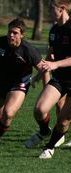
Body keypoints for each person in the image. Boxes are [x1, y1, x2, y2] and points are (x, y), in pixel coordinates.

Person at [0, 18, 43, 155]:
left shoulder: (29, 51)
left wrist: (38, 80)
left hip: (19, 84)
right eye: (9, 32)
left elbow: (44, 68)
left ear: (22, 34)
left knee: (8, 113)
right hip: (0, 83)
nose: (10, 35)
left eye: (14, 33)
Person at [25, 0, 71, 159]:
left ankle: (49, 148)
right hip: (59, 79)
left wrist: (56, 64)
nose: (49, 13)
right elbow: (51, 54)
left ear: (62, 9)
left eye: (52, 10)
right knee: (39, 109)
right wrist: (39, 74)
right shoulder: (53, 30)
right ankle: (44, 132)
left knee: (63, 120)